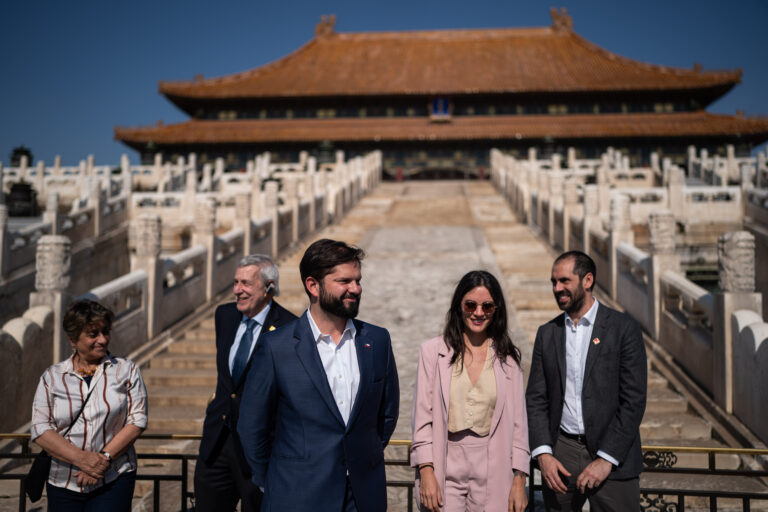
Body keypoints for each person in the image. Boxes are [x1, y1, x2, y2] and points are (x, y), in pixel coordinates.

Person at [238, 238, 399, 512]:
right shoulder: (277, 347)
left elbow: (386, 415)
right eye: (344, 281)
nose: (355, 289)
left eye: (358, 281)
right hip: (296, 496)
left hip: (360, 499)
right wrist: (277, 480)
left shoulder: (377, 340)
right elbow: (252, 427)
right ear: (313, 285)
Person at [526, 251, 647, 511]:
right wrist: (544, 454)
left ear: (587, 280)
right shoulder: (547, 334)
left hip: (613, 453)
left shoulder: (623, 329)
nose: (557, 288)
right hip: (562, 453)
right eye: (553, 282)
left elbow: (633, 401)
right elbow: (536, 399)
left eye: (564, 281)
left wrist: (606, 459)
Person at [411, 270, 529, 512]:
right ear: (459, 306)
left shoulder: (508, 357)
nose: (478, 313)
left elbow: (519, 423)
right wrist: (426, 470)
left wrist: (520, 478)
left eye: (487, 306)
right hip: (446, 460)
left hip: (494, 462)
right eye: (470, 305)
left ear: (496, 310)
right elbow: (422, 418)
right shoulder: (432, 352)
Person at [194, 254, 296, 512]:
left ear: (269, 287)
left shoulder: (289, 327)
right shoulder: (224, 316)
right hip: (217, 443)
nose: (237, 290)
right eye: (236, 282)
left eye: (246, 284)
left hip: (259, 449)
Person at [30, 299, 148, 510]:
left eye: (105, 331)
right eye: (93, 334)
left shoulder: (126, 371)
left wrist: (102, 461)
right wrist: (82, 460)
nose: (102, 340)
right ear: (73, 339)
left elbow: (137, 420)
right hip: (64, 481)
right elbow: (40, 429)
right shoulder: (52, 377)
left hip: (115, 477)